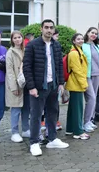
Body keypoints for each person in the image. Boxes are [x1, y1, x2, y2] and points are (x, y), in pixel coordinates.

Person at [23, 19, 69, 156]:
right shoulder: (32, 45)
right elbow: (27, 67)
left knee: (53, 112)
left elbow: (60, 65)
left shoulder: (56, 45)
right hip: (38, 86)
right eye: (46, 27)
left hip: (53, 85)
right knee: (36, 115)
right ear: (41, 29)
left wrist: (61, 83)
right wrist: (31, 86)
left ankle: (52, 139)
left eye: (51, 28)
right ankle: (34, 143)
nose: (49, 30)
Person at [5, 31, 30, 143]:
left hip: (27, 84)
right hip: (16, 84)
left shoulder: (26, 50)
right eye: (15, 38)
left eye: (19, 37)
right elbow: (9, 71)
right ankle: (14, 132)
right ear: (12, 40)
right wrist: (14, 87)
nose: (17, 39)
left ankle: (25, 129)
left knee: (26, 108)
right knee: (15, 109)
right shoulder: (10, 52)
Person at [82, 27, 99, 132]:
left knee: (94, 98)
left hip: (97, 75)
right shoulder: (83, 45)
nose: (94, 35)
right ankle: (86, 122)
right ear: (87, 33)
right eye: (92, 32)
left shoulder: (97, 46)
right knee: (91, 98)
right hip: (87, 76)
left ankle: (90, 120)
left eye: (95, 34)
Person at [65, 33, 89, 140]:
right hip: (77, 84)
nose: (81, 41)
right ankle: (78, 132)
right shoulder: (74, 53)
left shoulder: (78, 51)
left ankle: (70, 129)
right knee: (78, 109)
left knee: (73, 108)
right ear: (73, 41)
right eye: (78, 39)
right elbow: (77, 70)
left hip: (75, 83)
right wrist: (84, 84)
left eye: (82, 39)